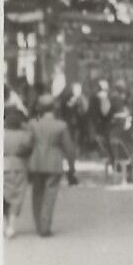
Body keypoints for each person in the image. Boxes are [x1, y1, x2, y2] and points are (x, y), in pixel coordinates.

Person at [27, 99, 76, 237]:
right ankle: (45, 226)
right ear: (54, 109)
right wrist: (71, 166)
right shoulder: (61, 125)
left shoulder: (33, 124)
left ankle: (38, 225)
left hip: (36, 161)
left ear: (39, 109)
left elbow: (27, 143)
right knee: (50, 195)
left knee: (37, 194)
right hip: (54, 162)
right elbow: (69, 148)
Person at [3, 108, 34, 238]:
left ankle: (6, 224)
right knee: (16, 197)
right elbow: (29, 148)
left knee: (3, 197)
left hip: (2, 166)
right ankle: (11, 227)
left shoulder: (0, 134)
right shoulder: (24, 136)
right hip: (19, 167)